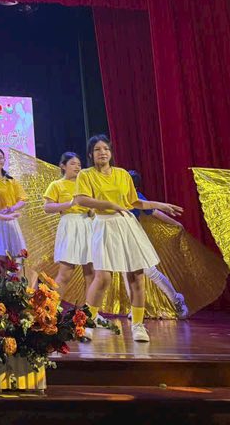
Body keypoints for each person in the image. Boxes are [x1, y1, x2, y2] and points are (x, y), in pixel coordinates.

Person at [72, 135, 183, 344]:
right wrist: (111, 205)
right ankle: (87, 322)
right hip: (104, 225)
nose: (102, 152)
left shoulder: (122, 174)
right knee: (103, 278)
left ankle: (138, 326)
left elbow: (135, 202)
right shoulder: (86, 175)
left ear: (111, 152)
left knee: (137, 277)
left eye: (106, 149)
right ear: (90, 154)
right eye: (97, 149)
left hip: (127, 225)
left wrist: (160, 205)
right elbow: (80, 199)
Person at [125, 170, 189, 319]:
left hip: (135, 238)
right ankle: (135, 308)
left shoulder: (137, 197)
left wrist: (175, 223)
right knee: (126, 273)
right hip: (120, 239)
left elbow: (154, 212)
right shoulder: (116, 197)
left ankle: (177, 300)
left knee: (150, 271)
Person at [43, 152, 93, 305]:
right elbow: (47, 207)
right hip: (69, 225)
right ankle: (52, 310)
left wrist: (92, 210)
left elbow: (92, 208)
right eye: (73, 163)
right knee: (65, 273)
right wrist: (69, 204)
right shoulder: (56, 185)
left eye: (79, 164)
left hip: (87, 225)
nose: (77, 167)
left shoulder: (85, 185)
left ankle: (90, 312)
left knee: (91, 273)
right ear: (63, 166)